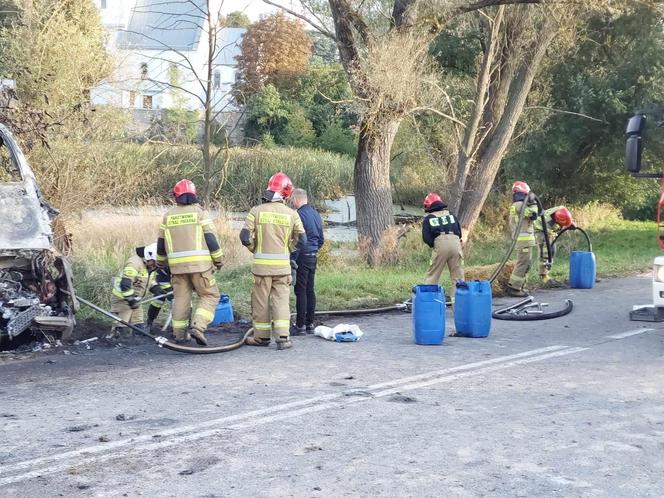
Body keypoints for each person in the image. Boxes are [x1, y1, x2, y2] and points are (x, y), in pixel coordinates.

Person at [240, 172, 306, 350]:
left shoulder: (256, 211)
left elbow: (245, 237)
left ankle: (261, 338)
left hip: (261, 269)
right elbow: (302, 240)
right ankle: (283, 338)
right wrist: (288, 250)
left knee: (261, 303)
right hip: (282, 269)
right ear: (286, 193)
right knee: (281, 302)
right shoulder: (292, 214)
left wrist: (255, 248)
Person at [156, 179, 223, 345]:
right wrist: (219, 260)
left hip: (177, 269)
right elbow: (211, 240)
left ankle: (179, 335)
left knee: (180, 299)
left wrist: (161, 263)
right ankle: (198, 327)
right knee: (209, 295)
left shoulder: (168, 216)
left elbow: (161, 245)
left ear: (175, 196)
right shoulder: (200, 213)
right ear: (194, 194)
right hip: (201, 267)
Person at [289, 188, 324, 335]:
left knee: (300, 291)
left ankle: (300, 325)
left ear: (297, 200)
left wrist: (292, 258)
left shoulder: (298, 215)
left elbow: (298, 240)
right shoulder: (316, 214)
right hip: (313, 255)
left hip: (302, 256)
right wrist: (314, 249)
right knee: (310, 290)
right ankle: (310, 323)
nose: (291, 203)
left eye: (292, 200)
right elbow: (321, 239)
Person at [109, 245, 157, 338]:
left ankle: (136, 347)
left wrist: (157, 289)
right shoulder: (134, 263)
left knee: (138, 326)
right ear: (148, 257)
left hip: (136, 301)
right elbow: (125, 284)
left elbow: (146, 281)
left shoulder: (149, 267)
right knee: (121, 327)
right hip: (122, 300)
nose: (156, 265)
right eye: (155, 262)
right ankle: (114, 343)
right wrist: (130, 300)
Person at [422, 193, 464, 294]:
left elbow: (426, 238)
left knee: (433, 275)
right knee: (458, 278)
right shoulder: (451, 215)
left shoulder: (429, 218)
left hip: (440, 244)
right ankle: (459, 306)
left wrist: (435, 244)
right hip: (455, 244)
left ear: (428, 206)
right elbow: (459, 232)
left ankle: (429, 305)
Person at [507, 181, 542, 297]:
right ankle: (514, 287)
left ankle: (520, 286)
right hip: (524, 241)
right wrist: (533, 203)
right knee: (523, 263)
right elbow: (533, 215)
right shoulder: (520, 205)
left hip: (524, 240)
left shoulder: (517, 205)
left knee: (526, 263)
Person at [533, 206, 574, 283]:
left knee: (552, 251)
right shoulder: (548, 221)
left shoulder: (562, 210)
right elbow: (550, 232)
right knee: (545, 252)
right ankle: (543, 275)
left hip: (548, 231)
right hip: (540, 230)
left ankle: (547, 272)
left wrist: (570, 223)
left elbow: (565, 218)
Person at [143, 243, 173, 330]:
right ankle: (149, 322)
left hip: (179, 281)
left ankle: (184, 327)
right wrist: (168, 292)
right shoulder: (158, 267)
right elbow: (160, 281)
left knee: (184, 302)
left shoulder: (173, 261)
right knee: (159, 299)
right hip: (163, 279)